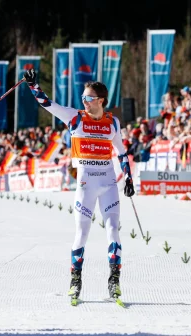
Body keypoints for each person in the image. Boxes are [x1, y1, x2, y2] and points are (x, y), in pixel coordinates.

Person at [23, 69, 135, 303]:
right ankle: (76, 281)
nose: (85, 101)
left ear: (101, 100)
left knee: (113, 230)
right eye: (83, 98)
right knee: (81, 234)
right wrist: (34, 84)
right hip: (86, 185)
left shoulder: (113, 122)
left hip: (107, 184)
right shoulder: (75, 117)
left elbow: (122, 153)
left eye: (89, 98)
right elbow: (47, 104)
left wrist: (128, 178)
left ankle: (114, 281)